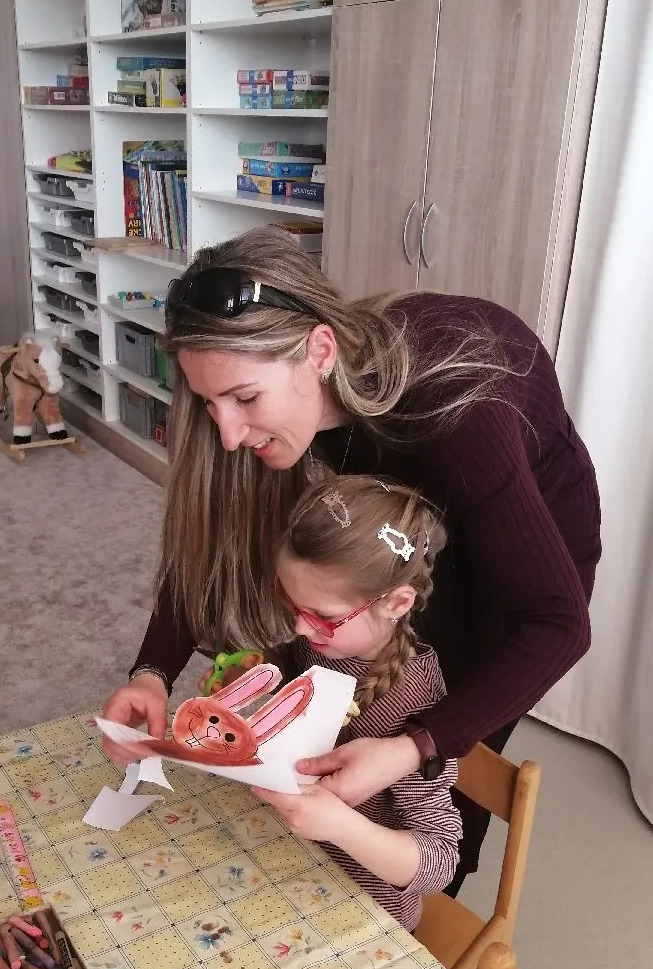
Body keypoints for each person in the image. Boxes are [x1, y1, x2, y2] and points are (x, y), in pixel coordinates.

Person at [101, 226, 601, 895]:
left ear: (319, 351)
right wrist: (153, 670)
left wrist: (415, 747)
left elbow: (557, 626)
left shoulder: (459, 417)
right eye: (208, 402)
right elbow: (213, 540)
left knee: (437, 750)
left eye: (245, 398)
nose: (228, 432)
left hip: (519, 549)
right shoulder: (300, 405)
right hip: (400, 505)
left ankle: (422, 916)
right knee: (354, 686)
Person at [252, 475, 462, 931]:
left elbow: (441, 861)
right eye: (293, 606)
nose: (301, 629)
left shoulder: (418, 705)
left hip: (365, 910)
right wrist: (257, 678)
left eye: (322, 616)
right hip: (289, 863)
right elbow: (289, 676)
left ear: (397, 603)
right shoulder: (324, 644)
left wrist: (342, 825)